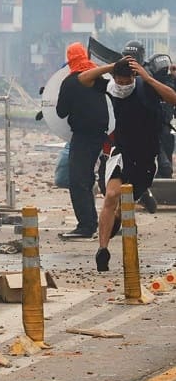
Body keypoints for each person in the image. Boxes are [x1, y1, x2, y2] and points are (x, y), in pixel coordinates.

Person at [78, 56, 176, 271]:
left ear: (134, 77)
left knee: (126, 198)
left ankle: (121, 214)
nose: (123, 86)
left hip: (145, 155)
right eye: (119, 81)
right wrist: (112, 66)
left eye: (127, 82)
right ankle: (102, 250)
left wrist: (147, 78)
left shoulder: (145, 88)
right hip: (119, 151)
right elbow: (84, 78)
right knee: (111, 195)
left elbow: (173, 99)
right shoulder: (109, 87)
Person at [55, 42, 109, 239]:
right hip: (103, 135)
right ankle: (108, 221)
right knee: (95, 179)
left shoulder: (70, 82)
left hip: (84, 136)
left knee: (78, 180)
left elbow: (61, 112)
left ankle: (86, 226)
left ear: (70, 60)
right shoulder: (99, 78)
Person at [120, 40, 158, 212]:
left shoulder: (148, 76)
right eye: (127, 58)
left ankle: (142, 194)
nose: (130, 63)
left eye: (133, 59)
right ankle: (121, 219)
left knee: (144, 175)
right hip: (122, 139)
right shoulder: (117, 75)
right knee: (118, 182)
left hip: (146, 136)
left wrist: (147, 78)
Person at [146, 53, 175, 178]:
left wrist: (173, 77)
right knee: (164, 166)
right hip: (152, 130)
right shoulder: (149, 83)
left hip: (166, 130)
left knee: (166, 170)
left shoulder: (170, 83)